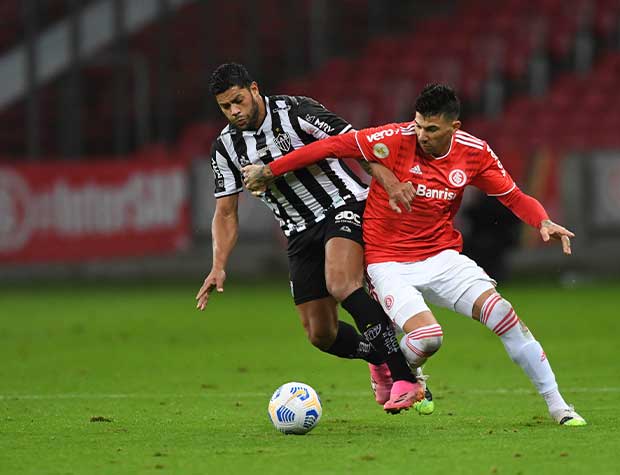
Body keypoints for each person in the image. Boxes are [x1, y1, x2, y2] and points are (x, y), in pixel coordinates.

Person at [243, 84, 587, 426]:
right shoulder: (392, 138)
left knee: (505, 316)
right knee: (429, 338)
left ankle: (559, 406)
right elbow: (331, 146)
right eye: (418, 125)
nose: (421, 134)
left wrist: (541, 220)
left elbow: (513, 196)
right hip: (387, 261)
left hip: (442, 256)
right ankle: (391, 364)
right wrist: (271, 170)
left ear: (454, 128)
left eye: (431, 129)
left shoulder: (474, 153)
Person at [195, 63, 425, 413]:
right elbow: (226, 212)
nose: (235, 112)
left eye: (238, 101)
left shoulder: (297, 111)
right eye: (226, 107)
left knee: (341, 282)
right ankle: (380, 355)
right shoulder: (226, 147)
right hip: (298, 232)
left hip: (343, 205)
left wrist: (389, 184)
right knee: (321, 334)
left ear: (254, 89)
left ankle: (404, 378)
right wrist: (218, 265)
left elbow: (358, 144)